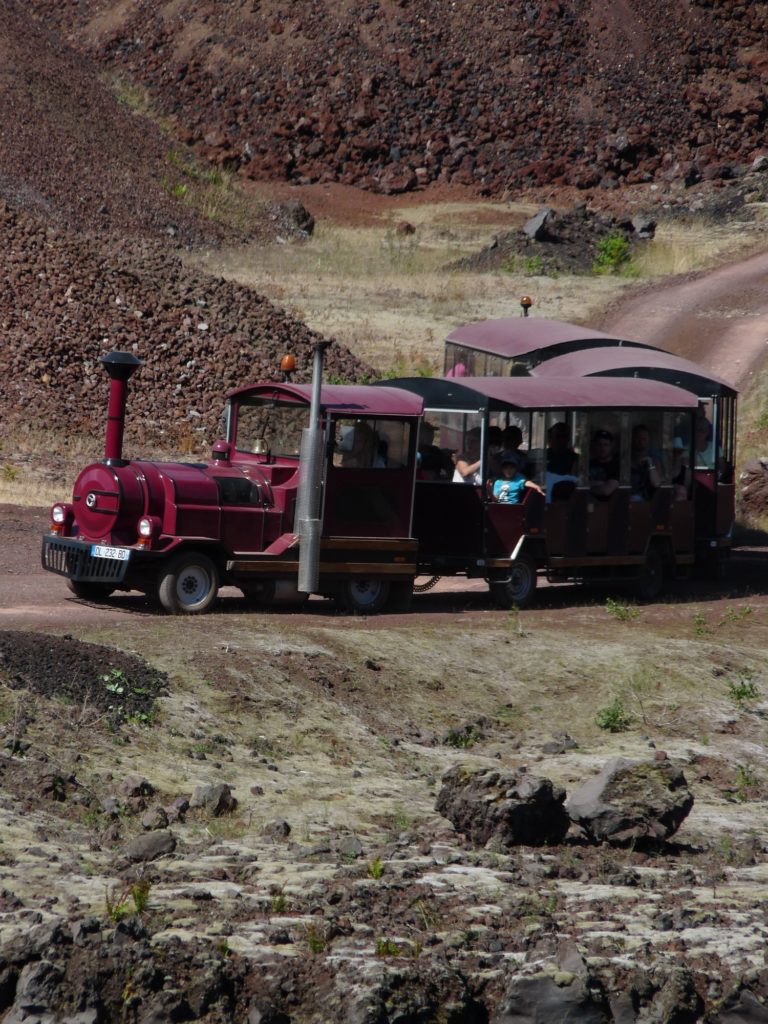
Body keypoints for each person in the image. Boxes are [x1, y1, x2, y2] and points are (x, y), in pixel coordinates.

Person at [545, 422, 579, 501]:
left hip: (568, 500)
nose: (561, 439)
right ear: (550, 438)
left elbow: (576, 484)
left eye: (565, 436)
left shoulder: (575, 458)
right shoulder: (542, 456)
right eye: (558, 436)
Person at [629, 424, 662, 501]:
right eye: (638, 438)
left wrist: (650, 463)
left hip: (646, 502)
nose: (641, 442)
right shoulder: (625, 458)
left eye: (644, 439)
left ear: (648, 440)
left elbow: (656, 483)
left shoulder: (654, 459)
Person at [589, 429, 620, 499]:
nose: (602, 448)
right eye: (599, 444)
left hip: (609, 507)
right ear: (594, 445)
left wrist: (588, 486)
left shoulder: (617, 466)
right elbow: (578, 485)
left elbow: (606, 491)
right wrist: (602, 483)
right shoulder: (588, 464)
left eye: (606, 445)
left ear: (611, 446)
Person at [669, 436, 691, 501]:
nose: (676, 455)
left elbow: (687, 492)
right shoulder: (665, 469)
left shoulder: (687, 472)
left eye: (679, 452)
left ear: (682, 453)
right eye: (673, 451)